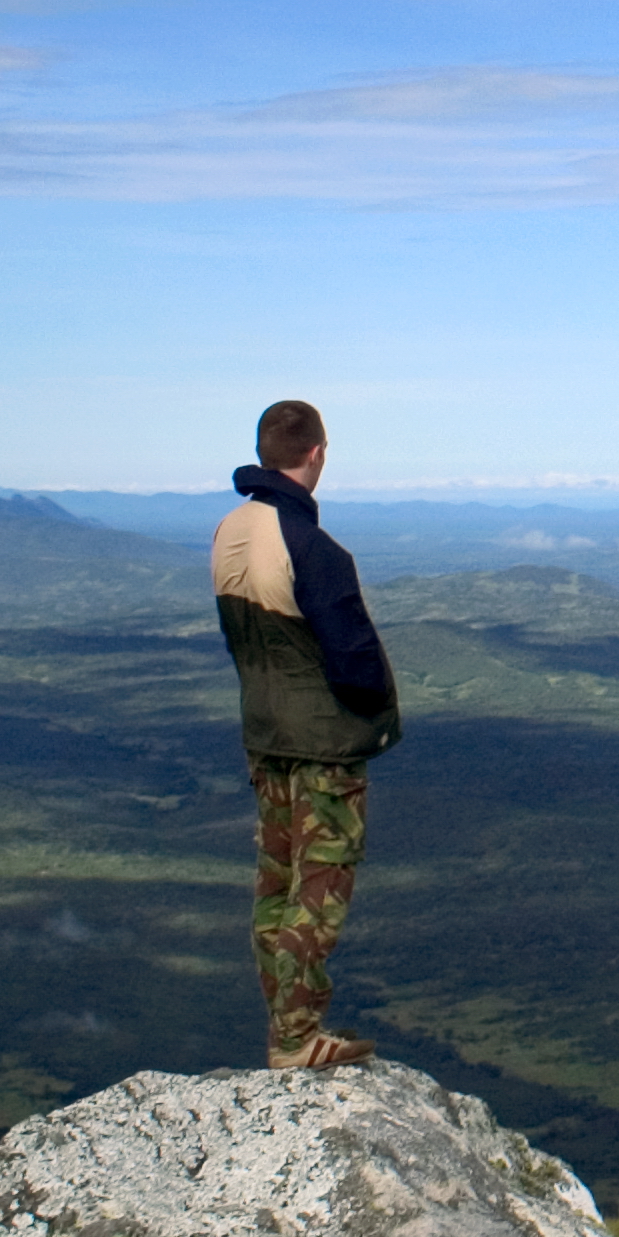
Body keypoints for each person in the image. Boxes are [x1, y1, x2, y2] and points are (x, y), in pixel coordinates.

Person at [212, 399, 403, 1070]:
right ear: (317, 453)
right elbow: (354, 662)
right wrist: (376, 714)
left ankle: (283, 1027)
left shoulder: (230, 533)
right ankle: (297, 1037)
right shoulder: (312, 549)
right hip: (322, 746)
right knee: (319, 887)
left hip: (264, 734)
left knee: (275, 881)